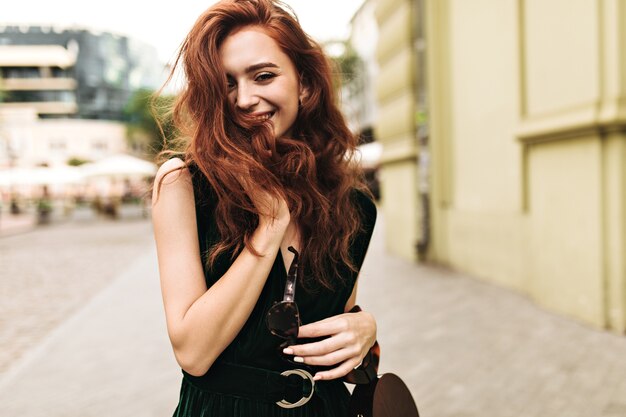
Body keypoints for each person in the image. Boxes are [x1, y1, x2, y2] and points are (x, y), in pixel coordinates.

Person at [151, 0, 377, 415]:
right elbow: (193, 353)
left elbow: (333, 326)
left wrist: (365, 329)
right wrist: (271, 223)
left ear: (304, 84)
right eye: (227, 84)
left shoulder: (354, 206)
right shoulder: (182, 184)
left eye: (264, 76)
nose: (244, 99)